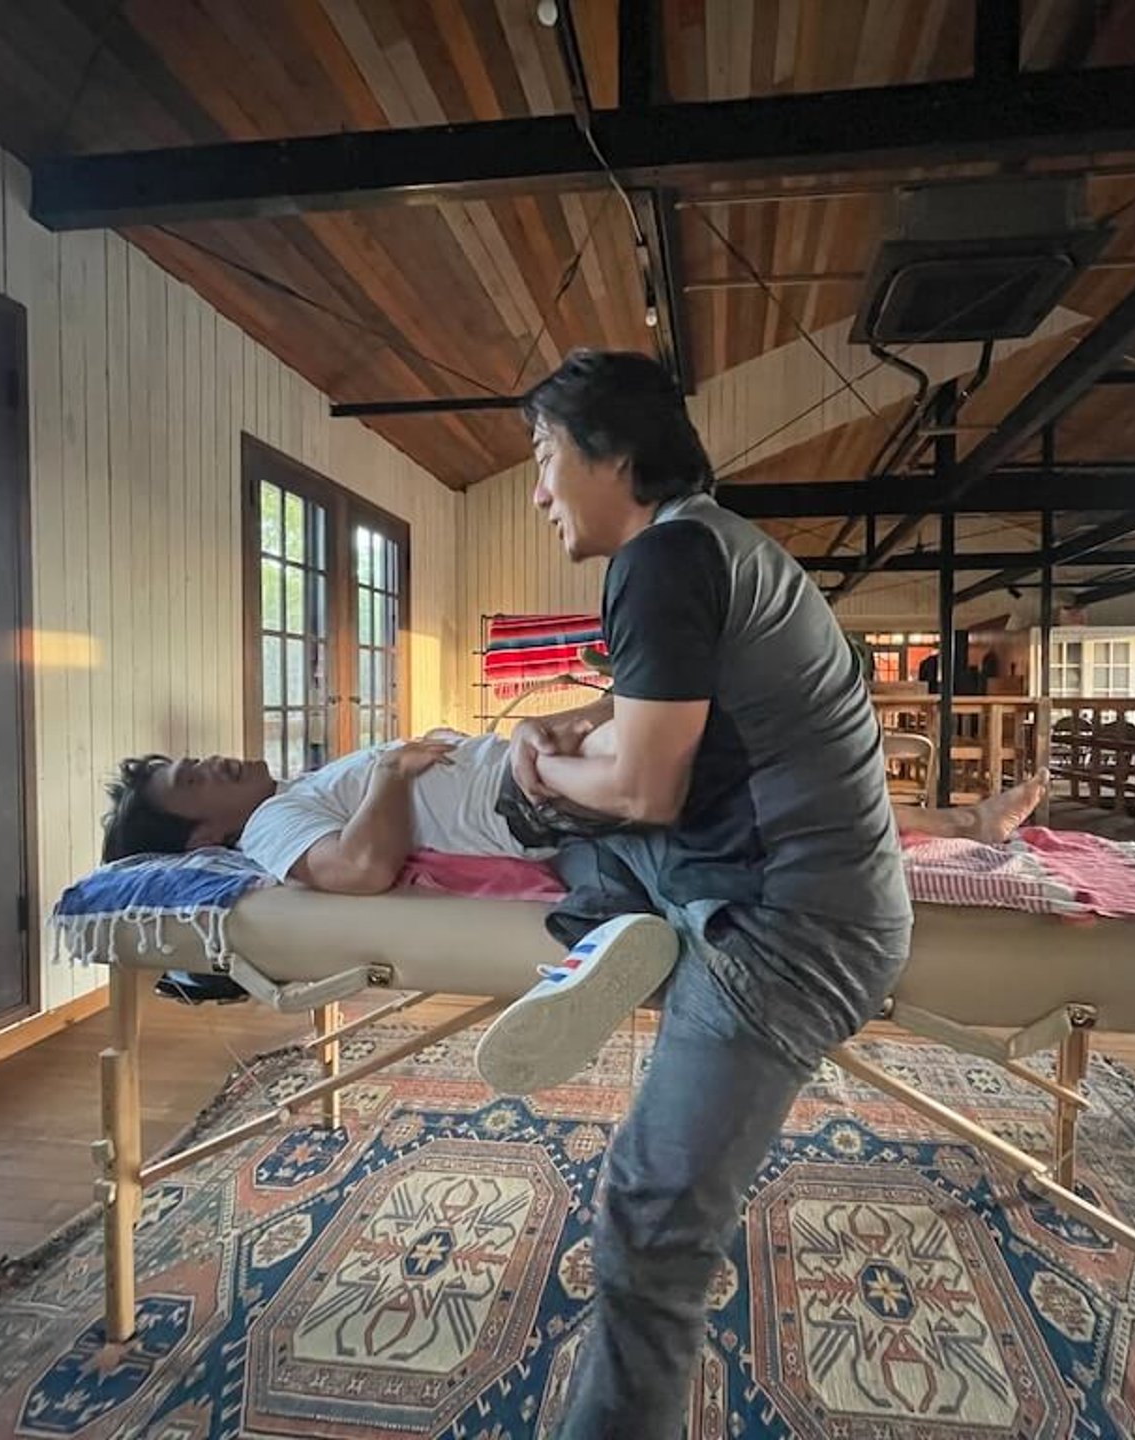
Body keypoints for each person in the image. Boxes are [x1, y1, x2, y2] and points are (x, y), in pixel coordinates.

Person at [465, 348, 932, 1440]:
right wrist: (572, 729)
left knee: (650, 1219)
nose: (536, 492)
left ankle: (619, 930)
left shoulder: (663, 559)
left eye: (543, 457)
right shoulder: (713, 543)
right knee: (567, 828)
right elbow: (652, 717)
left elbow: (645, 787)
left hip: (788, 930)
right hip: (772, 880)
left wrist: (539, 770)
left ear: (612, 456)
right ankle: (618, 929)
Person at [99, 728, 1047, 885]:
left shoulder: (296, 789)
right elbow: (358, 870)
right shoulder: (269, 829)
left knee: (734, 773)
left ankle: (953, 820)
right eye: (193, 781)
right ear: (207, 831)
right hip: (525, 801)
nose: (211, 762)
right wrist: (391, 772)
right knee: (711, 748)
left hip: (530, 775)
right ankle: (848, 752)